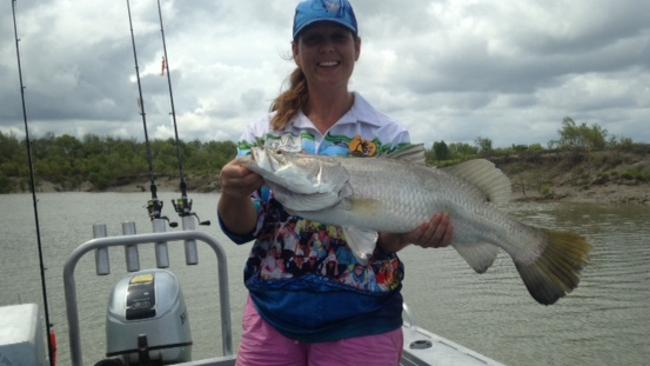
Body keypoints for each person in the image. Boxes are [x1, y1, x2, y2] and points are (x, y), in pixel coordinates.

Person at [218, 0, 453, 365]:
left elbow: (383, 243)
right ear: (296, 51)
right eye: (313, 39)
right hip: (273, 316)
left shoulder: (388, 135)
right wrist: (232, 193)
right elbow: (242, 229)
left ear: (356, 47)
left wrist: (411, 233)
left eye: (338, 37)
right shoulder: (264, 135)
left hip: (363, 321)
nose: (327, 48)